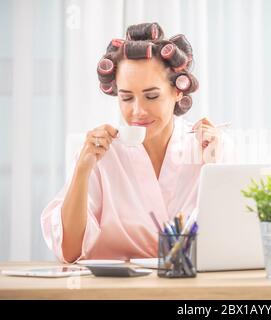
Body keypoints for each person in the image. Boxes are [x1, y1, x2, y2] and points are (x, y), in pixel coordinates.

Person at [41, 22, 233, 263]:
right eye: (126, 98)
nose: (138, 111)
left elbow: (229, 243)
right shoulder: (101, 154)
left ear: (178, 92)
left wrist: (214, 168)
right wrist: (82, 168)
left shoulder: (208, 147)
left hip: (190, 288)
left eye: (152, 96)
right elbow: (69, 251)